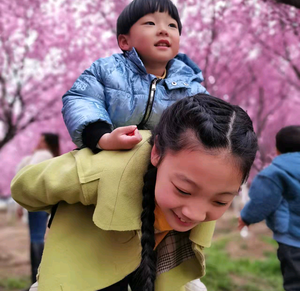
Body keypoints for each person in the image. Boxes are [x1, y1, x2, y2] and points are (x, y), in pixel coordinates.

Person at [11, 94, 258, 291]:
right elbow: (24, 188)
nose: (194, 213)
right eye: (183, 190)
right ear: (157, 153)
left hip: (153, 269)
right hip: (83, 271)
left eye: (220, 200)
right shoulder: (103, 171)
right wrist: (72, 208)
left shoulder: (207, 180)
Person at [62, 0, 208, 152]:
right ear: (125, 41)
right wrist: (103, 138)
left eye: (172, 25)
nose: (163, 30)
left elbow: (214, 120)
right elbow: (82, 99)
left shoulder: (191, 87)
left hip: (161, 166)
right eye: (150, 23)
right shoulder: (107, 70)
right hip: (106, 155)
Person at [238, 125, 300, 291]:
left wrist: (246, 217)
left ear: (277, 150)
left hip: (293, 240)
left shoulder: (275, 173)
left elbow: (262, 201)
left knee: (296, 282)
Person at [15, 133, 60, 290]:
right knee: (38, 237)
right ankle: (37, 278)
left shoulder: (43, 154)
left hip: (35, 201)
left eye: (41, 140)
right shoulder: (52, 157)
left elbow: (25, 174)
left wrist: (20, 204)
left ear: (47, 143)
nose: (38, 142)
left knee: (36, 238)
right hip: (43, 200)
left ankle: (36, 279)